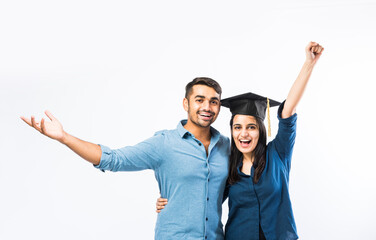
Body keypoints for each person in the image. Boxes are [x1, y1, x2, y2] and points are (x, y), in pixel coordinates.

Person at [21, 77, 231, 240]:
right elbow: (114, 159)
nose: (207, 107)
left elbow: (223, 189)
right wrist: (65, 137)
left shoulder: (225, 145)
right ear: (186, 103)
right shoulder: (164, 143)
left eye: (213, 102)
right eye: (200, 100)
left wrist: (182, 199)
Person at [156, 42, 324, 240]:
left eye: (251, 127)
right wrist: (170, 201)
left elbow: (289, 110)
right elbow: (206, 198)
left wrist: (309, 64)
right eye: (238, 127)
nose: (243, 134)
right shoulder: (228, 165)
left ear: (260, 130)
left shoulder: (278, 153)